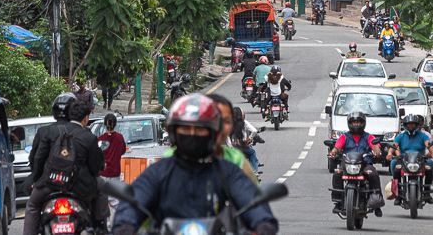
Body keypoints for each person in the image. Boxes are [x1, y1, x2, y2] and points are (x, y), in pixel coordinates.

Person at [112, 95, 277, 235]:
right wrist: (124, 225)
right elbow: (137, 198)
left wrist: (262, 222)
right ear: (173, 133)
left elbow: (248, 197)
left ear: (213, 133)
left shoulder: (227, 171)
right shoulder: (159, 171)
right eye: (185, 129)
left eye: (200, 130)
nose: (192, 135)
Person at [24, 95, 104, 235]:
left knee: (32, 205)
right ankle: (100, 226)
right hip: (80, 187)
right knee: (101, 188)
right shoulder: (87, 135)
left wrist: (37, 179)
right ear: (85, 117)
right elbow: (96, 167)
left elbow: (37, 159)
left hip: (50, 182)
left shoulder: (48, 131)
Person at [329, 111, 384, 215]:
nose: (356, 124)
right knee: (337, 173)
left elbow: (375, 146)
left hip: (364, 164)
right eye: (354, 122)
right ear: (350, 123)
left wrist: (377, 151)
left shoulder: (369, 137)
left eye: (358, 122)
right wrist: (333, 153)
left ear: (363, 123)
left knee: (373, 174)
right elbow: (336, 148)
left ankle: (377, 202)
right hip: (347, 165)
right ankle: (338, 201)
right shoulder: (344, 137)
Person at [387, 115, 433, 202]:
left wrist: (432, 153)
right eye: (409, 124)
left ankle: (427, 192)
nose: (411, 126)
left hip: (420, 159)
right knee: (394, 163)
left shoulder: (423, 135)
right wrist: (390, 153)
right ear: (405, 125)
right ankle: (397, 193)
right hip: (403, 160)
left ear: (417, 125)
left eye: (413, 124)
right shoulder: (401, 136)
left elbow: (428, 145)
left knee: (430, 164)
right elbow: (394, 146)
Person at [230, 106, 262, 175]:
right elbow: (254, 131)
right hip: (243, 146)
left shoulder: (229, 123)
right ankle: (254, 171)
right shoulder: (244, 122)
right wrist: (250, 138)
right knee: (252, 153)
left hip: (232, 148)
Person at [98, 114, 127, 182]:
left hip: (103, 173)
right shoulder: (120, 137)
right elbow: (123, 151)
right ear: (115, 124)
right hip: (115, 172)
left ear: (105, 124)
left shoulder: (100, 139)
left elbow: (97, 155)